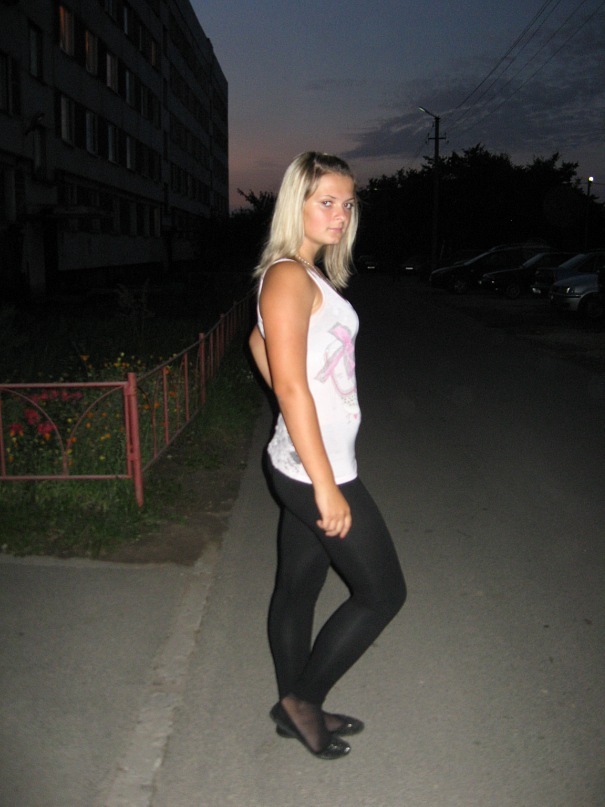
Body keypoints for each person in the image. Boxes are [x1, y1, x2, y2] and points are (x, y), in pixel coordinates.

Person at [248, 151, 406, 760]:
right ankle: (301, 700)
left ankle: (299, 709)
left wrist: (298, 415)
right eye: (326, 202)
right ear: (298, 204)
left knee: (297, 588)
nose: (340, 214)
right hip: (316, 472)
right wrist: (324, 483)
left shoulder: (304, 276)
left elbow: (257, 341)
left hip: (303, 462)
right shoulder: (288, 275)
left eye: (348, 203)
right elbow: (291, 387)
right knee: (383, 593)